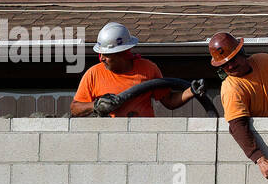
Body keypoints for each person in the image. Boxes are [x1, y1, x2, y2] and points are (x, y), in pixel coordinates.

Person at [207, 31, 268, 182]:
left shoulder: (263, 61)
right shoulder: (231, 87)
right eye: (225, 64)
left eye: (233, 59)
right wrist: (260, 159)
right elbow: (237, 126)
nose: (231, 65)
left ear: (242, 51)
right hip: (264, 151)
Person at [71, 22, 200, 118]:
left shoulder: (147, 69)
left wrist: (191, 91)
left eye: (106, 54)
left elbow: (169, 101)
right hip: (110, 139)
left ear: (121, 53)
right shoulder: (94, 74)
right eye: (100, 54)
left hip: (143, 136)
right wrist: (95, 105)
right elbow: (75, 108)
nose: (101, 58)